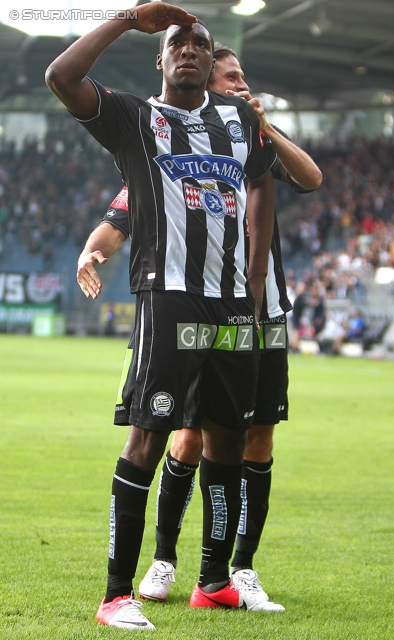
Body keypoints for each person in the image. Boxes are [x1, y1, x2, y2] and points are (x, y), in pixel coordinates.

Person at [46, 6, 279, 629]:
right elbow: (61, 77)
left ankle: (213, 580)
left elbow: (264, 183)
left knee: (226, 439)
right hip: (168, 299)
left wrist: (255, 284)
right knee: (148, 436)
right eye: (178, 44)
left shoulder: (237, 121)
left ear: (211, 60)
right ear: (161, 58)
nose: (189, 51)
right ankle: (116, 591)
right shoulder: (134, 118)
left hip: (232, 305)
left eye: (200, 44)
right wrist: (128, 18)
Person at [77, 44, 322, 613]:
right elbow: (119, 215)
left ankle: (235, 570)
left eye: (242, 77)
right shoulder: (168, 142)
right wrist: (92, 252)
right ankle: (162, 559)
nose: (240, 85)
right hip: (183, 304)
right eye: (229, 77)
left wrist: (262, 120)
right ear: (202, 82)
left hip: (262, 312)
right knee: (182, 435)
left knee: (250, 436)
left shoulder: (246, 137)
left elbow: (308, 178)